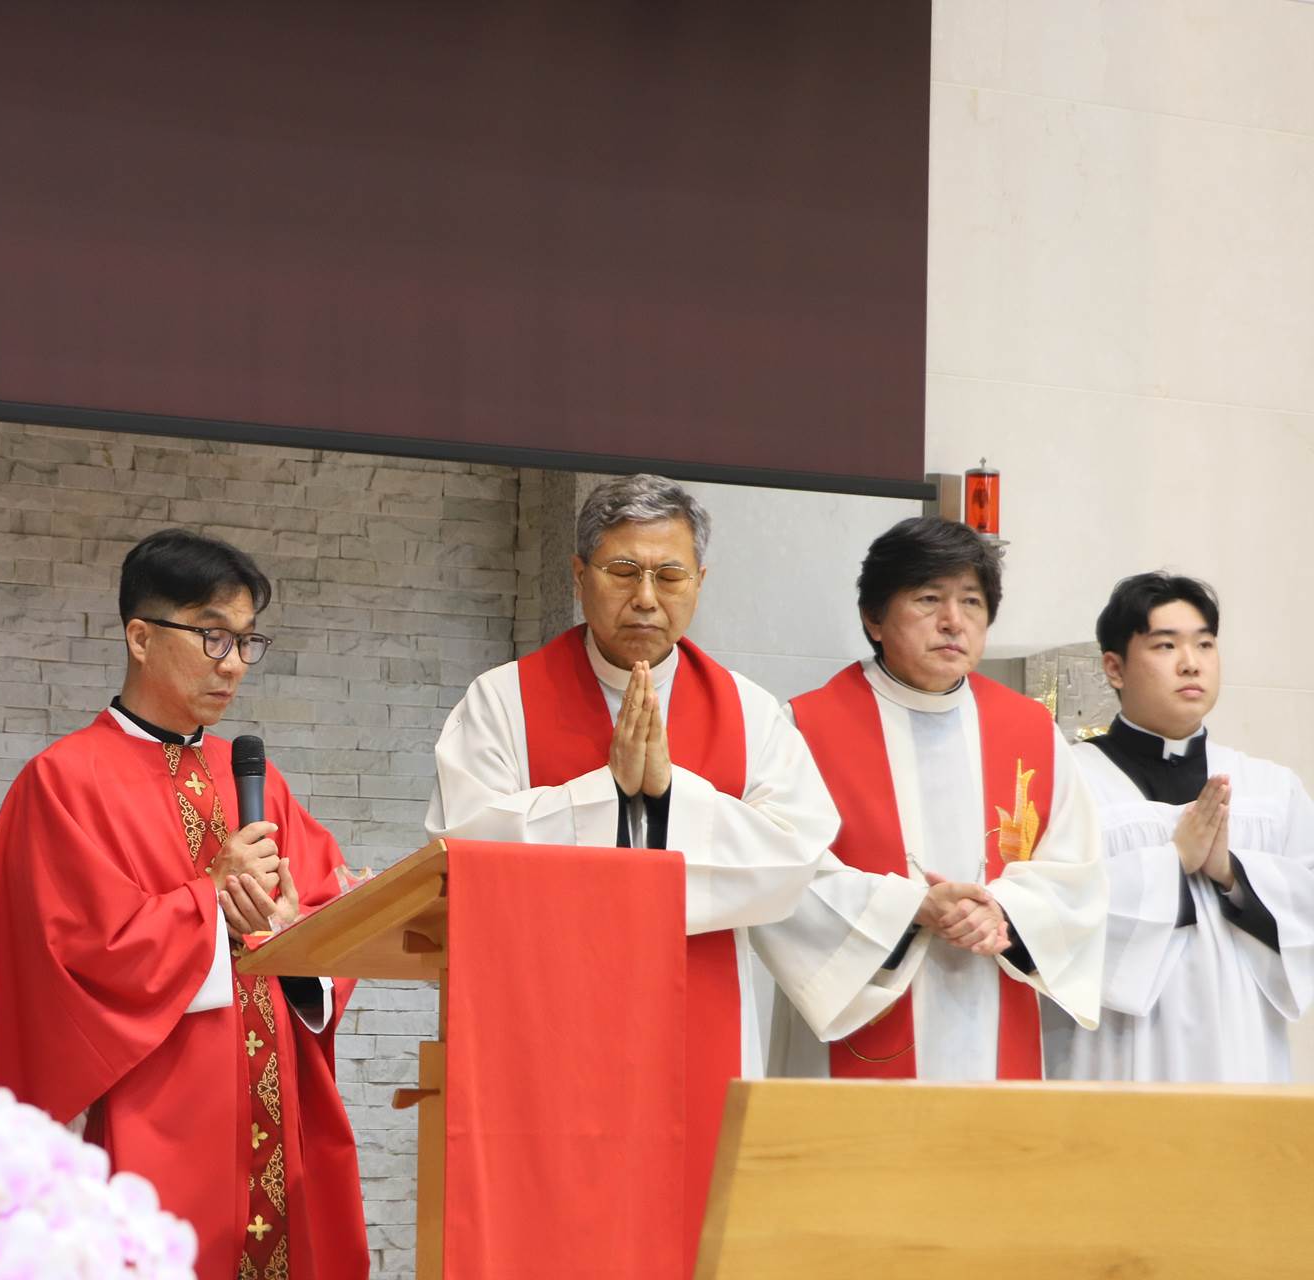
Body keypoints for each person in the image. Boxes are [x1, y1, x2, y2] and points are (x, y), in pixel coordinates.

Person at [426, 473, 834, 1261]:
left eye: (669, 575)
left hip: (698, 1020)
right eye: (623, 572)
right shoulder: (502, 701)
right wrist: (604, 795)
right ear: (578, 575)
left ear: (700, 581)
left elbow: (794, 856)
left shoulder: (751, 713)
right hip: (545, 1030)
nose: (647, 598)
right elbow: (464, 844)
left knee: (691, 1229)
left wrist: (671, 794)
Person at [0, 529, 367, 1280]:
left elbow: (319, 914)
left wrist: (298, 935)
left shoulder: (257, 779)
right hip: (155, 1127)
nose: (234, 663)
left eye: (247, 641)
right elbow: (79, 963)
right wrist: (210, 900)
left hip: (272, 1117)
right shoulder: (63, 783)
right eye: (213, 636)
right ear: (141, 637)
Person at [757, 516, 1105, 1080]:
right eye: (928, 599)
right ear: (873, 617)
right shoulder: (805, 726)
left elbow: (1078, 874)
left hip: (993, 1005)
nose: (953, 621)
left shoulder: (1030, 730)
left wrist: (1003, 912)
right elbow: (781, 877)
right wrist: (911, 908)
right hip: (863, 1026)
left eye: (971, 602)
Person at [1045, 573, 1314, 1082]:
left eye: (1204, 644)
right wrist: (1171, 864)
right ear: (1114, 668)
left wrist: (1233, 874)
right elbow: (1047, 916)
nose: (1191, 662)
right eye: (1166, 645)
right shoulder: (1068, 783)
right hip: (1115, 1049)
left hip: (1242, 1048)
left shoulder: (1270, 789)